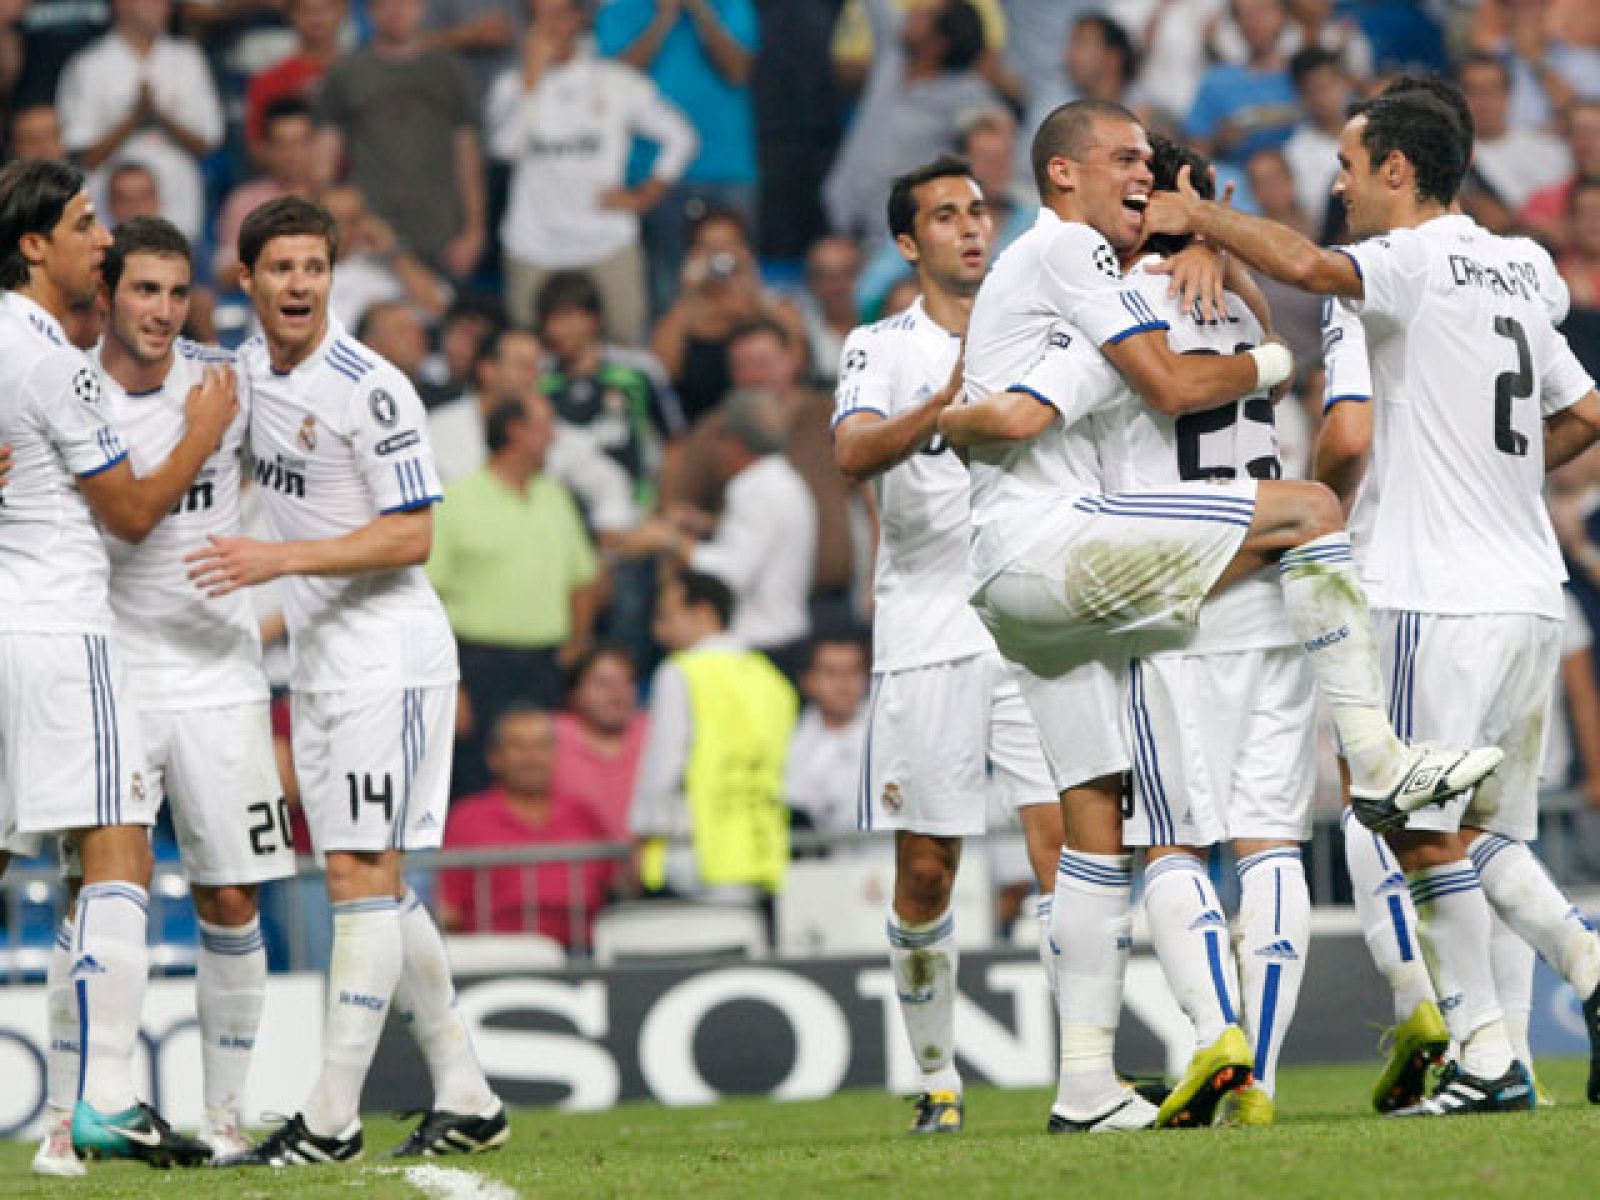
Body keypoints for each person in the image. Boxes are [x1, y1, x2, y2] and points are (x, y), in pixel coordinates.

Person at [937, 97, 1500, 1132]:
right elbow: (1156, 382)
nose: (1140, 185)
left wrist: (953, 414)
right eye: (1125, 166)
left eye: (1154, 174)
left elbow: (1023, 409)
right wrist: (1258, 324)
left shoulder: (1104, 289)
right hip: (1152, 572)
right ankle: (1367, 767)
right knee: (1263, 830)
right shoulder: (1099, 268)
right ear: (1069, 177)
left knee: (1107, 829)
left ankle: (1088, 1087)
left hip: (1088, 577)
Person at [1145, 84, 1600, 1115]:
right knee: (1482, 833)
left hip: (1429, 591)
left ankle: (1569, 976)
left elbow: (1310, 274)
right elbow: (1586, 411)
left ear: (1397, 169)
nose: (1336, 188)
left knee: (1399, 813)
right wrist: (1502, 486)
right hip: (1531, 591)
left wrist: (1197, 215)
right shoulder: (1521, 266)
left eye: (1347, 168)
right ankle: (1501, 1062)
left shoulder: (1397, 270)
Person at [193, 196, 507, 1165]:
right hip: (324, 664)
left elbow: (413, 532)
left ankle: (329, 1116)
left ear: (332, 277)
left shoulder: (372, 390)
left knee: (356, 878)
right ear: (246, 280)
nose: (298, 285)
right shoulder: (240, 375)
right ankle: (466, 1090)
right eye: (279, 268)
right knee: (376, 881)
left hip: (389, 656)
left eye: (313, 269)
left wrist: (278, 564)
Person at [0, 158, 231, 1171]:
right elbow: (134, 512)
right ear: (35, 245)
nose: (105, 239)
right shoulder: (55, 361)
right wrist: (201, 432)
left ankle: (70, 1130)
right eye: (88, 224)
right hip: (58, 627)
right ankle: (104, 1102)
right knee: (119, 844)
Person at [831, 155, 1067, 1134]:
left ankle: (1089, 1075)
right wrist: (947, 401)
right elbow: (851, 453)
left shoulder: (1044, 331)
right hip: (926, 628)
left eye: (978, 210)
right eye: (944, 215)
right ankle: (936, 1079)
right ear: (906, 241)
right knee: (927, 871)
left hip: (1031, 622)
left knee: (1072, 854)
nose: (970, 227)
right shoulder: (877, 345)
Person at [1103, 134, 1317, 1127]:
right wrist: (1215, 243)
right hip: (1273, 589)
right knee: (1269, 839)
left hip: (1180, 596)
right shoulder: (1243, 302)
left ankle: (1216, 1041)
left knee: (1173, 845)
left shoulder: (1117, 306)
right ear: (1212, 197)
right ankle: (1259, 1081)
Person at [73, 217, 294, 1163]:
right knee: (108, 879)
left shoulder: (227, 382)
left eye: (177, 292)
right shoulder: (68, 390)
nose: (163, 311)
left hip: (219, 671)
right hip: (113, 669)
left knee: (233, 898)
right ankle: (87, 1109)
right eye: (144, 291)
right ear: (108, 295)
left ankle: (227, 1116)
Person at [488, 0, 696, 342]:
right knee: (529, 351)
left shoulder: (615, 81)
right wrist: (531, 80)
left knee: (625, 345)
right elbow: (504, 150)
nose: (548, 28)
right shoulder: (510, 86)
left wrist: (647, 194)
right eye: (538, 19)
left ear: (576, 19)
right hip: (533, 244)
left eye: (556, 16)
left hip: (606, 241)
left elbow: (681, 136)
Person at [426, 394, 600, 762]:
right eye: (545, 427)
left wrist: (578, 643)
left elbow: (583, 578)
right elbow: (427, 596)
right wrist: (448, 685)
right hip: (477, 664)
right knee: (476, 772)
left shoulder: (556, 498)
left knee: (544, 771)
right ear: (515, 431)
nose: (553, 438)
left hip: (545, 666)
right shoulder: (456, 500)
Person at [629, 568, 797, 900]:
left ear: (704, 613)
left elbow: (664, 766)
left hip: (693, 852)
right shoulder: (772, 679)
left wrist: (644, 834)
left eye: (666, 616)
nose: (658, 631)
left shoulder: (680, 672)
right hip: (762, 849)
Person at [595, 0, 760, 315]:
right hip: (650, 174)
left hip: (725, 167)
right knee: (664, 288)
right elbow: (614, 80)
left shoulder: (732, 6)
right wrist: (665, 15)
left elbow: (737, 70)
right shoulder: (619, 10)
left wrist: (699, 9)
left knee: (736, 283)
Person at [638, 387, 817, 677]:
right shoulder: (784, 480)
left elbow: (732, 573)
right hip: (787, 636)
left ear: (735, 443)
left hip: (763, 644)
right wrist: (709, 524)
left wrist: (672, 541)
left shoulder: (754, 490)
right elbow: (763, 538)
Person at [317, 0, 485, 278]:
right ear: (369, 11)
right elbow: (323, 163)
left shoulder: (450, 70)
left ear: (422, 7)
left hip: (442, 232)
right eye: (384, 4)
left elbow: (468, 156)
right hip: (370, 233)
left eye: (404, 2)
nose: (395, 11)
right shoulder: (345, 72)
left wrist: (473, 231)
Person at [822, 0, 995, 241]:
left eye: (926, 16)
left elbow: (996, 137)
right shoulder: (892, 61)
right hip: (841, 221)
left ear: (939, 44)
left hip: (898, 240)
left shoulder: (965, 93)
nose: (914, 12)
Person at [438, 707, 613, 945]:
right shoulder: (467, 819)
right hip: (496, 959)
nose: (532, 757)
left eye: (541, 746)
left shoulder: (582, 814)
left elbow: (617, 886)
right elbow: (449, 910)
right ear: (494, 757)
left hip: (580, 956)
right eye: (519, 746)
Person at [55, 0, 223, 244]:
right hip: (108, 223)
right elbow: (83, 153)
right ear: (121, 4)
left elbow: (208, 142)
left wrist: (160, 115)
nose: (163, 8)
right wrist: (134, 118)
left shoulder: (188, 58)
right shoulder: (89, 66)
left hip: (181, 212)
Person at [214, 98, 320, 292]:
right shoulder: (245, 201)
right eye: (282, 144)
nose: (291, 154)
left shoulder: (339, 199)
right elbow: (226, 273)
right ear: (267, 149)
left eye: (299, 143)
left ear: (315, 145)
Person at [552, 643, 649, 843]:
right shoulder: (550, 735)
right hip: (574, 868)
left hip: (646, 869)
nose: (617, 693)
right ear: (574, 694)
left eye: (627, 682)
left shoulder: (654, 733)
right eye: (602, 683)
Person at [1185, 0, 1299, 167]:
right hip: (1236, 182)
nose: (1254, 21)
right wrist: (1219, 141)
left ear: (1283, 15)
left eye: (1262, 10)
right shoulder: (1217, 82)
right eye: (1243, 15)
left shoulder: (1305, 76)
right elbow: (1195, 151)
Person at [783, 633, 867, 839]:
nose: (843, 683)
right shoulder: (789, 740)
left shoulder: (890, 735)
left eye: (852, 672)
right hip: (815, 864)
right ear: (808, 681)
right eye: (831, 673)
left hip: (879, 860)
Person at [243, 0, 347, 155]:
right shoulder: (268, 81)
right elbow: (257, 147)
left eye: (324, 9)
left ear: (342, 11)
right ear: (290, 15)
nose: (316, 19)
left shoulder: (366, 74)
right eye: (306, 11)